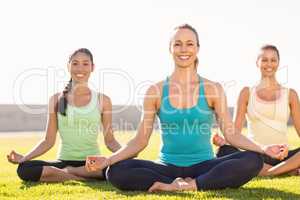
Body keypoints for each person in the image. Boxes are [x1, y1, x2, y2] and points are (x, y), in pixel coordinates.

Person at [85, 24, 288, 192]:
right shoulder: (155, 91)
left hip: (204, 166)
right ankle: (171, 184)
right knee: (116, 170)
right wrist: (108, 159)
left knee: (252, 159)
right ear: (170, 49)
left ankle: (191, 185)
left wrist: (262, 149)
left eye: (189, 44)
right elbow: (140, 141)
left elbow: (231, 133)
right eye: (178, 44)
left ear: (197, 48)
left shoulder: (212, 89)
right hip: (166, 168)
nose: (184, 49)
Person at [7, 48, 121, 182]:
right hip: (63, 162)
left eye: (85, 64)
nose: (80, 68)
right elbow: (48, 141)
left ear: (92, 67)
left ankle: (68, 174)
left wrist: (128, 154)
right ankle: (79, 178)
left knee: (116, 169)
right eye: (75, 63)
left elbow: (110, 141)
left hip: (92, 164)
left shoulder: (103, 100)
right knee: (24, 168)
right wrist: (24, 158)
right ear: (68, 66)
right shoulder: (55, 100)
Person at [213, 44, 300, 176]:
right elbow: (235, 132)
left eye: (273, 60)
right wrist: (223, 140)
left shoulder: (291, 94)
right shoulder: (246, 93)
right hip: (255, 155)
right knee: (224, 151)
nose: (269, 64)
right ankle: (283, 170)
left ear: (278, 63)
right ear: (257, 62)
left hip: (283, 156)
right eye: (264, 60)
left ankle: (269, 172)